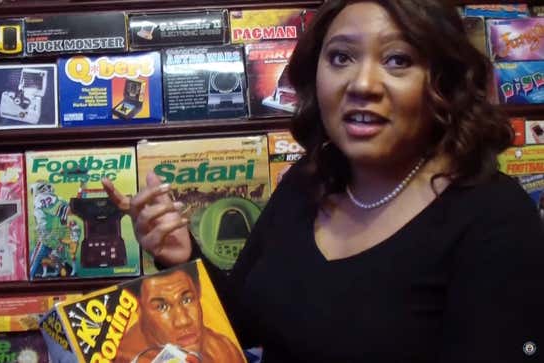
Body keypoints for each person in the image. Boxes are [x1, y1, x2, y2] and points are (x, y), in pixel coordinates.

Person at [103, 1, 544, 361]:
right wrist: (180, 255)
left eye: (397, 60)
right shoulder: (307, 181)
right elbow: (246, 320)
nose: (362, 84)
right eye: (341, 57)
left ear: (443, 85)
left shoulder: (495, 220)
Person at [114, 264, 245, 363]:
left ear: (198, 290)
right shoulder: (119, 357)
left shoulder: (224, 351)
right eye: (161, 307)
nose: (183, 321)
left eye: (187, 300)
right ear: (138, 308)